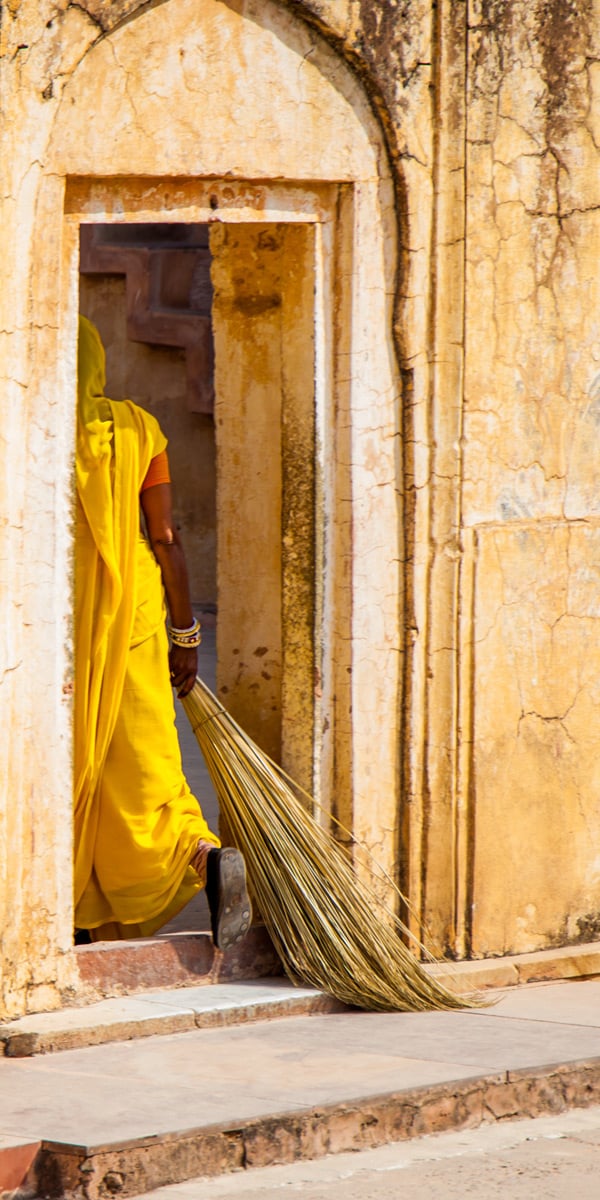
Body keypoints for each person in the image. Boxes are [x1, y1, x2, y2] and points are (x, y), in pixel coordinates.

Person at [74, 314, 251, 949]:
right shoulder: (140, 429)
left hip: (63, 622)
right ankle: (200, 857)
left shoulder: (31, 427)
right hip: (140, 619)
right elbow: (166, 538)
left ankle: (75, 906)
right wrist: (186, 636)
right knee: (148, 768)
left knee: (77, 771)